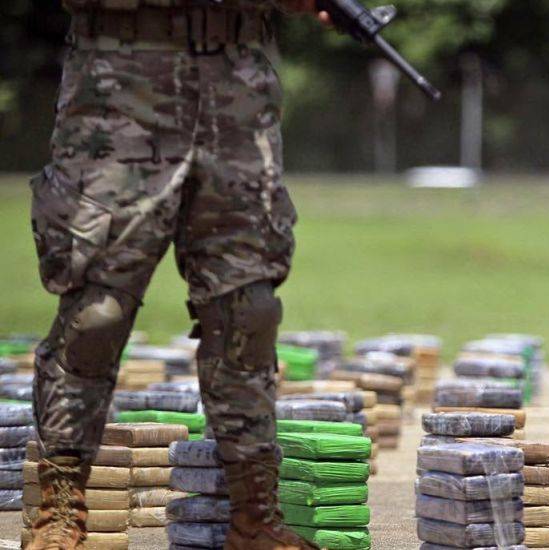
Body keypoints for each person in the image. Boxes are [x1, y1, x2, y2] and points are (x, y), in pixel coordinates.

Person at [27, 1, 331, 548]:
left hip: (235, 82)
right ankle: (59, 510)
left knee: (248, 309)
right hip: (120, 79)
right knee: (97, 311)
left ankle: (255, 520)